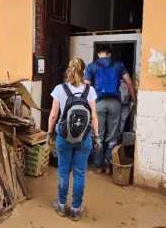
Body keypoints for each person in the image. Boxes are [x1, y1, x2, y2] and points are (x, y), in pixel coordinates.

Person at [48, 57, 99, 221]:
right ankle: (76, 209)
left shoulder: (60, 89)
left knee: (63, 170)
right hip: (84, 138)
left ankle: (62, 205)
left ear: (68, 70)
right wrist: (96, 137)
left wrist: (49, 134)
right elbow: (94, 118)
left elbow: (54, 115)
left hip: (64, 137)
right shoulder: (89, 90)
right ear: (83, 71)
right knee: (79, 173)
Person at [85, 46, 136, 175]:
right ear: (109, 55)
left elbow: (86, 87)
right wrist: (134, 100)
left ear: (98, 54)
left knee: (98, 136)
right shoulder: (118, 65)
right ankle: (108, 166)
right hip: (115, 103)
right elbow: (129, 83)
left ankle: (98, 166)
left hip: (98, 104)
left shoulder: (92, 66)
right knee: (112, 137)